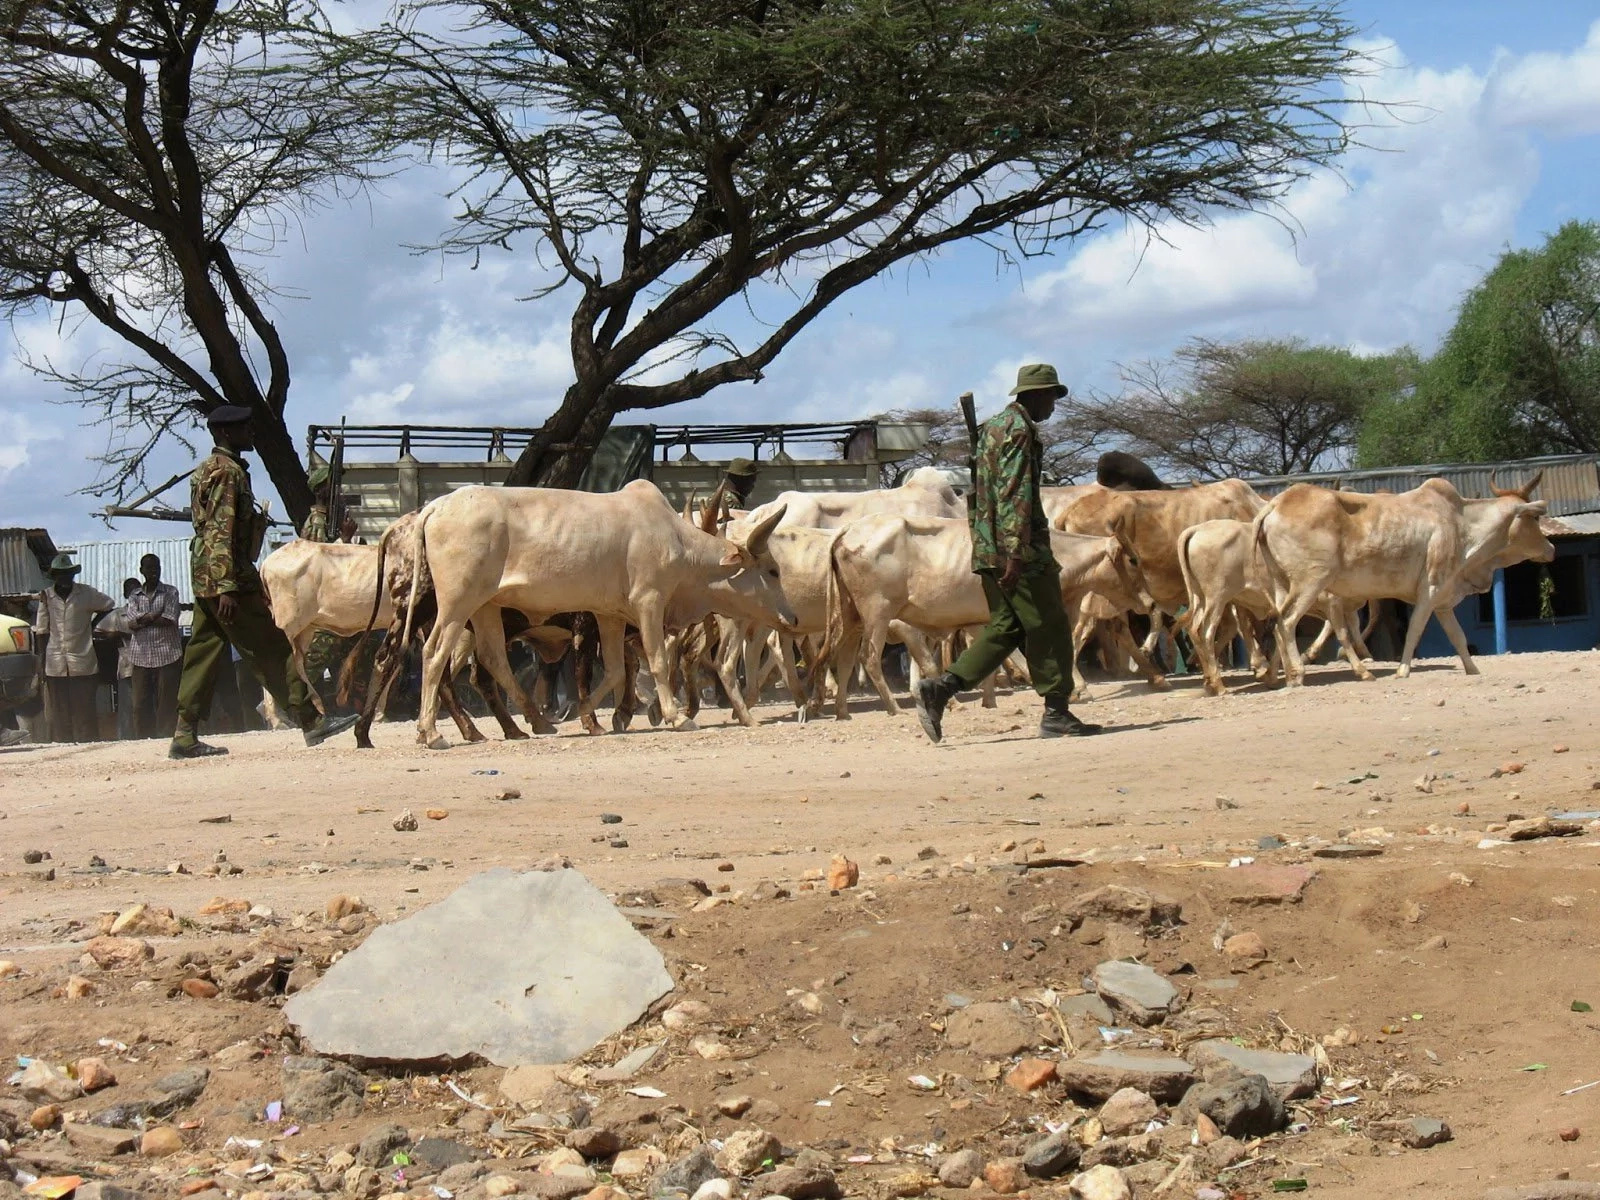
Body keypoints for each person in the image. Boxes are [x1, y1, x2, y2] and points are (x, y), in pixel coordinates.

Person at [914, 363, 1102, 743]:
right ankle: (1057, 712)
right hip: (1020, 551)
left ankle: (941, 689)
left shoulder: (992, 430)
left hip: (987, 546)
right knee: (1050, 624)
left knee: (1005, 628)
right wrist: (1016, 552)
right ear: (1034, 395)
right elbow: (1014, 492)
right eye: (1051, 396)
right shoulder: (1018, 431)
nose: (1053, 405)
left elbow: (982, 489)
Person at [169, 405, 357, 759]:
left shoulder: (206, 470)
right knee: (274, 650)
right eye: (244, 429)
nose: (250, 434)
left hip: (206, 578)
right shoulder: (229, 473)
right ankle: (310, 722)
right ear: (226, 433)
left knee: (202, 655)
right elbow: (220, 530)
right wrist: (227, 586)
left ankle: (184, 733)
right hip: (229, 582)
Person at [33, 553, 114, 743]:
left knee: (84, 709)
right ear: (54, 576)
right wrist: (41, 663)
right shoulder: (46, 596)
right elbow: (42, 631)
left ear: (72, 575)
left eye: (67, 574)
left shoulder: (86, 594)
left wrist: (93, 625)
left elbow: (109, 604)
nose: (63, 578)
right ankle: (63, 747)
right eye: (59, 575)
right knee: (60, 711)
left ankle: (87, 747)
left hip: (83, 660)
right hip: (55, 663)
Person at [124, 553, 183, 738]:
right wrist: (154, 615)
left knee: (166, 703)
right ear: (142, 571)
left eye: (156, 567)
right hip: (140, 656)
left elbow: (170, 619)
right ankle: (143, 741)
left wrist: (144, 618)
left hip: (167, 654)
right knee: (140, 703)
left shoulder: (171, 592)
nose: (153, 572)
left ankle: (166, 738)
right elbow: (130, 623)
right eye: (149, 568)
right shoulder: (134, 595)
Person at [95, 578, 142, 739]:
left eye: (137, 590)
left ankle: (148, 737)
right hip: (126, 664)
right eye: (130, 590)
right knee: (127, 707)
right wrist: (116, 635)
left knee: (144, 705)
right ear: (125, 594)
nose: (133, 593)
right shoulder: (118, 614)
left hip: (149, 663)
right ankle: (126, 739)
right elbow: (98, 631)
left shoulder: (148, 612)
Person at [300, 464, 333, 542]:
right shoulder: (318, 519)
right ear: (318, 491)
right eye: (330, 483)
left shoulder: (326, 517)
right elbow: (321, 551)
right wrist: (345, 538)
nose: (335, 488)